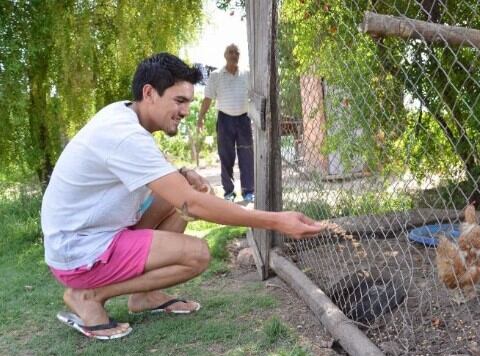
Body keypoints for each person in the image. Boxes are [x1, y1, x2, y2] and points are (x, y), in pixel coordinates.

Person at [41, 52, 323, 340]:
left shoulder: (123, 116)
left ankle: (144, 295)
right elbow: (193, 205)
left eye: (188, 101)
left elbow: (158, 180)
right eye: (179, 101)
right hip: (80, 252)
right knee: (197, 255)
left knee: (183, 190)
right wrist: (276, 221)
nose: (187, 111)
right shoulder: (125, 135)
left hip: (90, 236)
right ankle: (89, 295)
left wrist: (182, 172)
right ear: (149, 93)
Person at [196, 44, 254, 203]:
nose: (234, 55)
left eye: (237, 52)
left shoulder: (247, 74)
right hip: (225, 120)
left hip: (243, 119)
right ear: (225, 55)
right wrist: (200, 118)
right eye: (231, 52)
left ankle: (249, 191)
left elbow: (254, 95)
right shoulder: (215, 75)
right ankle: (229, 193)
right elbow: (207, 99)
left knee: (247, 156)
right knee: (226, 156)